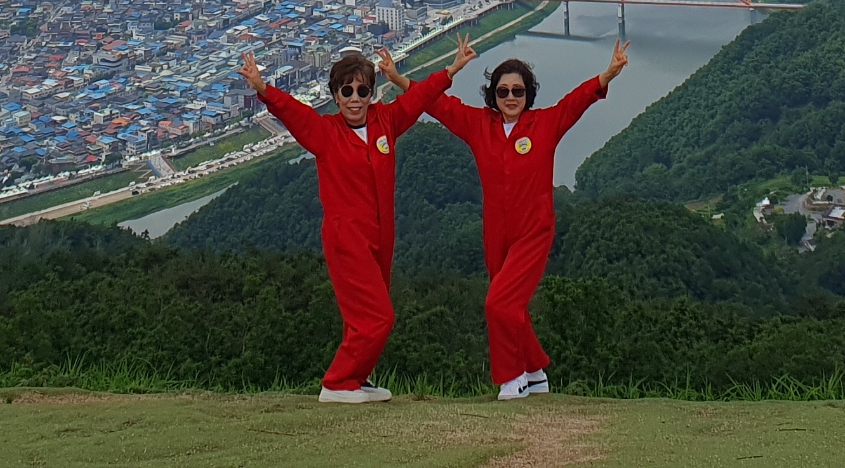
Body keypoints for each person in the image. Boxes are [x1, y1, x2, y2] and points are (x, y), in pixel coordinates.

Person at [413, 32, 629, 399]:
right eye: (503, 91)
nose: (510, 97)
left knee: (498, 304)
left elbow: (575, 102)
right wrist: (416, 76)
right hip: (496, 233)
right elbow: (435, 105)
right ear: (492, 96)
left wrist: (607, 74)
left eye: (518, 91)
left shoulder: (544, 124)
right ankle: (535, 371)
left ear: (528, 95)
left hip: (534, 230)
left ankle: (512, 378)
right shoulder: (478, 125)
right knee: (510, 303)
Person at [237, 44, 452, 404]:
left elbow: (419, 100)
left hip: (381, 235)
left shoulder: (386, 121)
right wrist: (262, 88)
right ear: (335, 96)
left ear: (371, 93)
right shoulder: (325, 133)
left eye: (362, 90)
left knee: (360, 317)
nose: (355, 99)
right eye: (346, 91)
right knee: (379, 316)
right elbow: (293, 112)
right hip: (346, 237)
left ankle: (358, 377)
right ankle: (337, 382)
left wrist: (449, 72)